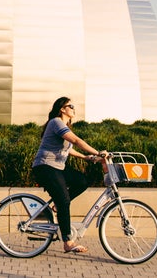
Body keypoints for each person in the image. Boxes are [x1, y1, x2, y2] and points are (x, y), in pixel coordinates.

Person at [31, 96, 106, 254]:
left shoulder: (64, 126)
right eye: (70, 106)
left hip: (57, 167)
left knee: (82, 181)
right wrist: (97, 152)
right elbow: (77, 141)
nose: (73, 108)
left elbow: (68, 149)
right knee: (64, 200)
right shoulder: (56, 122)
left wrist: (86, 157)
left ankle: (59, 204)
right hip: (45, 166)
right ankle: (68, 242)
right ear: (62, 109)